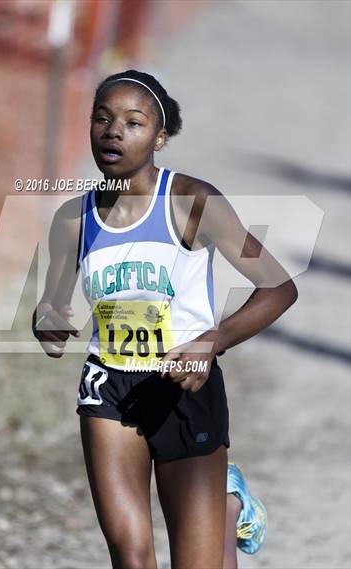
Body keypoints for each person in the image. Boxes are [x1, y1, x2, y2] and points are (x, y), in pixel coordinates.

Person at [33, 69, 297, 568]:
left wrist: (210, 342)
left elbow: (279, 288)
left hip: (185, 387)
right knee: (132, 558)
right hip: (107, 387)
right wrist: (47, 320)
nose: (114, 131)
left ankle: (227, 504)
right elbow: (51, 312)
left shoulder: (192, 201)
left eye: (133, 122)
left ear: (159, 137)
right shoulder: (73, 218)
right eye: (102, 119)